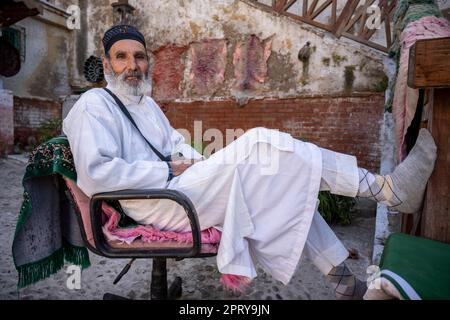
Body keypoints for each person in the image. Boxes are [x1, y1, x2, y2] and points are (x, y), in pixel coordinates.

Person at [63, 25, 437, 300]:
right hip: (156, 202)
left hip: (179, 188)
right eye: (122, 57)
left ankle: (348, 287)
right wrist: (170, 170)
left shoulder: (146, 104)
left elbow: (176, 145)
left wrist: (205, 165)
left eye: (139, 56)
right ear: (107, 64)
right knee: (259, 142)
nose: (133, 65)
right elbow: (97, 176)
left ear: (148, 62)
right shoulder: (92, 107)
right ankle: (386, 190)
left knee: (285, 178)